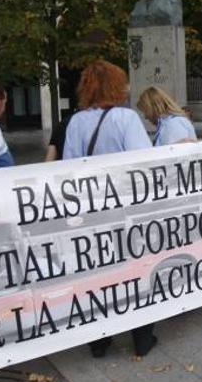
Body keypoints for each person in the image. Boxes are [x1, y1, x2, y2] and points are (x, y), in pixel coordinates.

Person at [61, 60, 158, 358]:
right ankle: (141, 336)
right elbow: (144, 163)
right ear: (115, 87)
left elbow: (68, 167)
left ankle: (99, 340)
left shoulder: (76, 121)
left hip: (92, 211)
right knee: (135, 270)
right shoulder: (125, 119)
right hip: (124, 210)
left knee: (97, 274)